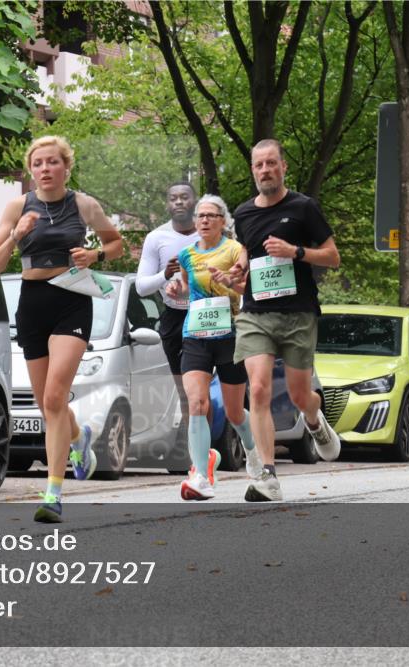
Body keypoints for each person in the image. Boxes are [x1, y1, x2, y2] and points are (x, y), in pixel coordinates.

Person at [0, 135, 124, 521]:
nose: (45, 169)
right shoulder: (18, 206)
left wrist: (95, 253)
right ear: (31, 171)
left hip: (71, 299)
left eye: (52, 162)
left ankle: (53, 494)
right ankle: (79, 439)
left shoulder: (83, 204)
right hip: (32, 303)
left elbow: (117, 244)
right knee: (54, 407)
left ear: (66, 167)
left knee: (52, 397)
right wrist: (16, 235)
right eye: (38, 164)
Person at [228, 139, 342, 502]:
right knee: (258, 389)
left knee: (297, 393)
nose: (265, 170)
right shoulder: (243, 213)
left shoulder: (304, 208)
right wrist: (240, 266)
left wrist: (296, 252)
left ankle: (313, 418)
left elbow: (333, 257)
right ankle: (267, 476)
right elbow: (248, 248)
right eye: (259, 165)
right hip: (256, 312)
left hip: (298, 313)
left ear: (283, 167)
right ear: (253, 170)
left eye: (271, 163)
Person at [165, 195, 259, 499]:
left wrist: (228, 282)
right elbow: (184, 285)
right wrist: (175, 287)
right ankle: (201, 475)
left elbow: (248, 288)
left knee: (234, 413)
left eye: (211, 215)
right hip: (195, 335)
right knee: (197, 404)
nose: (204, 220)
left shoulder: (235, 250)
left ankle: (252, 451)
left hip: (229, 335)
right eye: (200, 216)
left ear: (223, 221)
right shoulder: (186, 255)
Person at [135, 182, 200, 459]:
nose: (179, 202)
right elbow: (141, 287)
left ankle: (220, 435)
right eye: (173, 198)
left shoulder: (211, 232)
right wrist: (165, 273)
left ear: (194, 201)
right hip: (174, 315)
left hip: (207, 313)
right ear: (167, 204)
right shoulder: (156, 238)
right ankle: (194, 448)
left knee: (204, 386)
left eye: (184, 197)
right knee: (184, 388)